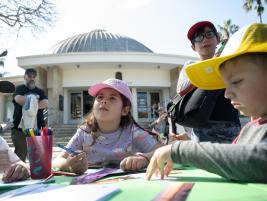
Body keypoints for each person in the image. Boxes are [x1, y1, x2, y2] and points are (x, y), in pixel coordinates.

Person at [146, 23, 267, 183]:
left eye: (236, 81)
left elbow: (257, 161)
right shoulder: (250, 129)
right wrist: (147, 156)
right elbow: (232, 155)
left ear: (217, 39)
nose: (226, 93)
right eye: (225, 85)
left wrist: (182, 151)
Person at [53, 78, 162, 174]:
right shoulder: (84, 133)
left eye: (112, 98)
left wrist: (145, 159)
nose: (104, 101)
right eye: (100, 97)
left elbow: (163, 151)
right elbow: (56, 161)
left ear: (125, 110)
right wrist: (68, 165)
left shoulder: (133, 132)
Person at [173, 20, 240, 143]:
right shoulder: (190, 66)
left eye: (209, 34)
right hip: (201, 131)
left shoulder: (229, 62)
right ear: (193, 47)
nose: (204, 39)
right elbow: (181, 90)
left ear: (218, 39)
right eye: (198, 37)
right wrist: (210, 66)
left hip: (231, 128)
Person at [11, 68, 48, 161]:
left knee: (37, 156)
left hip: (38, 128)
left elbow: (45, 103)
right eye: (29, 76)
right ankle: (19, 175)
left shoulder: (40, 91)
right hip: (19, 128)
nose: (32, 78)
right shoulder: (19, 88)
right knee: (20, 155)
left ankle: (37, 175)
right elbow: (18, 99)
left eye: (34, 76)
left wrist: (29, 104)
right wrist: (35, 102)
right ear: (24, 77)